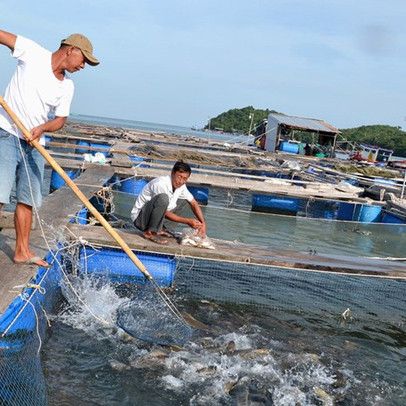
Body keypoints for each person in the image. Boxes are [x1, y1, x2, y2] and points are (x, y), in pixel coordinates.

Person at [0, 30, 99, 267]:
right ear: (71, 50)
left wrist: (42, 128)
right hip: (6, 132)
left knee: (28, 199)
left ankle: (22, 251)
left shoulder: (67, 86)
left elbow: (60, 120)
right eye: (84, 59)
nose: (83, 66)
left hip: (35, 143)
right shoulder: (33, 52)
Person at [131, 161, 207, 245]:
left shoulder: (181, 186)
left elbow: (193, 203)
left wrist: (203, 223)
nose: (181, 181)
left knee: (185, 200)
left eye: (185, 179)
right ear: (172, 173)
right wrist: (187, 221)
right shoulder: (160, 184)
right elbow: (165, 212)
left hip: (158, 216)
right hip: (141, 220)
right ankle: (150, 232)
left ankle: (162, 229)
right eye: (179, 177)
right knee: (163, 198)